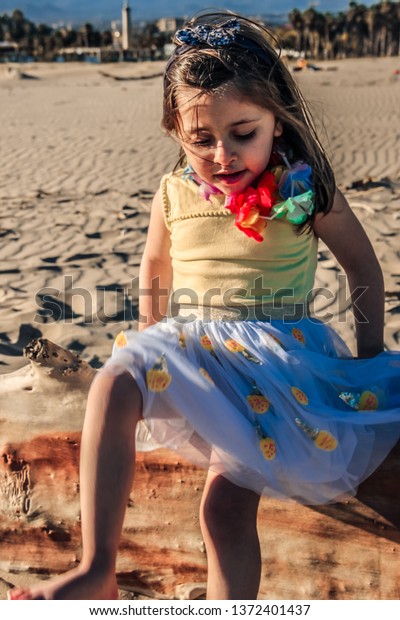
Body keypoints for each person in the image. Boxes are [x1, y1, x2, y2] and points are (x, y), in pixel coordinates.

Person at [9, 11, 400, 601]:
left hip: (276, 364)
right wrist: (149, 339)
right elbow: (156, 267)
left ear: (277, 118)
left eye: (244, 132)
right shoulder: (172, 194)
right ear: (175, 132)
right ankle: (98, 567)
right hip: (190, 346)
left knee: (223, 513)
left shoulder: (307, 190)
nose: (224, 154)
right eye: (201, 139)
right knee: (114, 382)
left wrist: (370, 355)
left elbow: (363, 268)